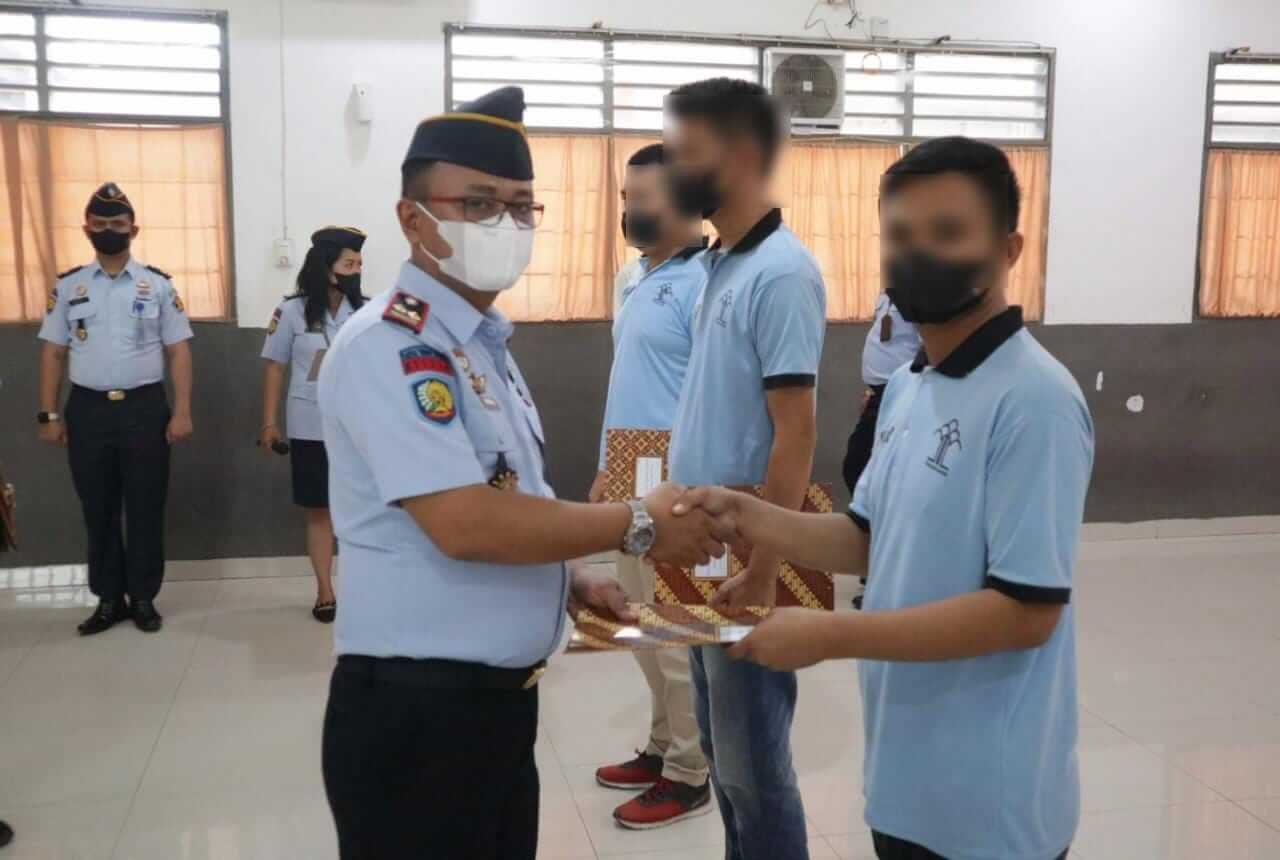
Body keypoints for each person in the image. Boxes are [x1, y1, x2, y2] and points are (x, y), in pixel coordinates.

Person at [316, 86, 725, 860]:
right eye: (477, 204)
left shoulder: (479, 343)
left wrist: (567, 576)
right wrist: (638, 523)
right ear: (413, 219)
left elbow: (510, 492)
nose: (504, 225)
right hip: (419, 713)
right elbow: (466, 523)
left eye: (519, 207)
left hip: (494, 708)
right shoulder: (393, 347)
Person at [675, 137, 1093, 860]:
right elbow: (868, 538)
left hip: (990, 803)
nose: (918, 254)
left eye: (948, 232)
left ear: (1009, 249)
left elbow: (1026, 611)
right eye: (899, 236)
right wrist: (749, 516)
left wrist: (832, 635)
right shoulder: (907, 387)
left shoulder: (1036, 399)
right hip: (905, 779)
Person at [663, 78, 826, 860]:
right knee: (724, 757)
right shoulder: (722, 265)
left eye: (687, 153)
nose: (674, 171)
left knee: (755, 768)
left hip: (745, 553)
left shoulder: (781, 273)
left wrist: (765, 567)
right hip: (702, 539)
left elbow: (795, 429)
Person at [588, 143, 712, 829]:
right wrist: (607, 465)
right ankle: (663, 745)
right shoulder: (631, 276)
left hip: (676, 472)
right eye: (625, 198)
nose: (631, 210)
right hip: (626, 466)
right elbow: (629, 380)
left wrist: (692, 485)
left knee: (677, 631)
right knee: (636, 621)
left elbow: (715, 395)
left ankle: (690, 771)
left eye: (645, 199)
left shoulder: (708, 283)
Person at [37, 182, 194, 636]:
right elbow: (53, 352)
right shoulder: (69, 286)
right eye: (100, 223)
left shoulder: (158, 285)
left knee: (146, 505)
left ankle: (143, 598)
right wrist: (48, 414)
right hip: (87, 411)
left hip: (145, 408)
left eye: (118, 223)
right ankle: (109, 599)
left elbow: (179, 350)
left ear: (134, 229)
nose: (109, 230)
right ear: (86, 228)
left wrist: (182, 410)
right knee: (98, 506)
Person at [260, 226, 366, 623]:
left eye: (359, 265)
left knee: (360, 512)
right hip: (309, 426)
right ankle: (325, 590)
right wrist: (268, 423)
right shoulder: (291, 311)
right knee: (319, 511)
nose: (356, 272)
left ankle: (360, 588)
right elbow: (275, 366)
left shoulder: (367, 311)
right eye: (348, 264)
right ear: (325, 267)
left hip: (358, 428)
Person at [842, 293, 920, 607]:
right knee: (858, 469)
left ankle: (884, 572)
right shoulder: (886, 295)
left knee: (883, 481)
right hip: (881, 394)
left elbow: (926, 347)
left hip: (904, 393)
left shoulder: (920, 292)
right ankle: (876, 564)